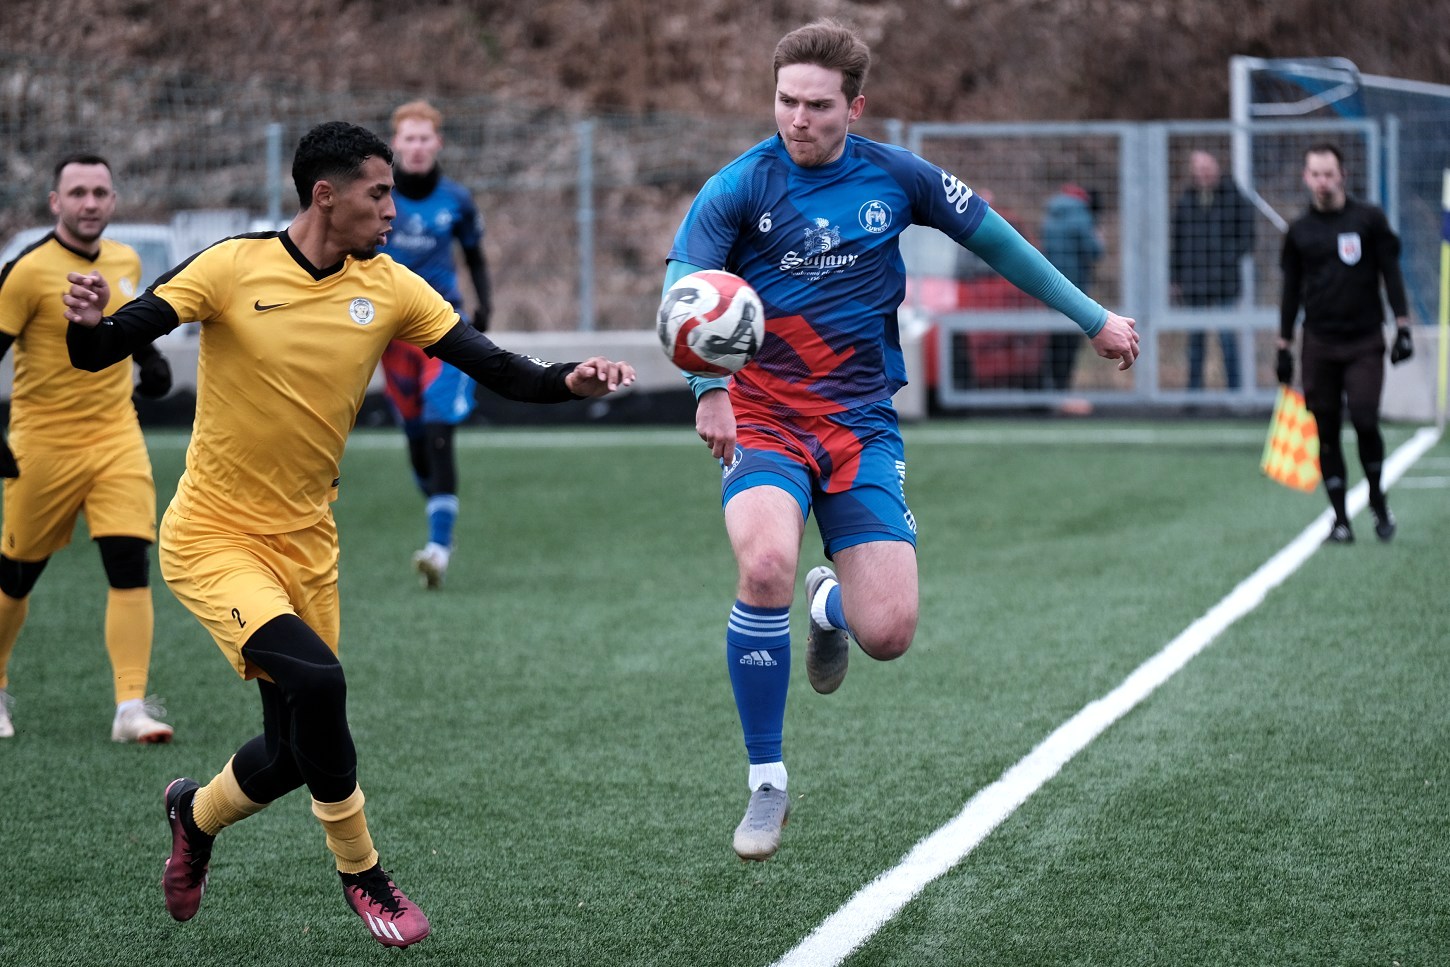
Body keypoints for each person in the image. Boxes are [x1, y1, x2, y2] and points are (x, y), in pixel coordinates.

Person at [63, 121, 634, 948]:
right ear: (326, 196)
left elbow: (494, 364)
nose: (394, 210)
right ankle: (363, 874)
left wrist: (569, 382)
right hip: (214, 536)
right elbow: (106, 347)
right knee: (321, 682)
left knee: (294, 751)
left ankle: (194, 813)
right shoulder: (229, 267)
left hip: (308, 544)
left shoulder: (391, 286)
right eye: (380, 193)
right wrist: (86, 322)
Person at [663, 20, 1139, 862]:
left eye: (817, 105)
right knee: (764, 564)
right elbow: (685, 285)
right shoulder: (738, 186)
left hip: (860, 423)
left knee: (887, 631)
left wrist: (1091, 316)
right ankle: (767, 780)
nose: (798, 118)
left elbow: (998, 241)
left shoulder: (897, 176)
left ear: (855, 107)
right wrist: (709, 390)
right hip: (763, 416)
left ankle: (828, 606)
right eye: (785, 101)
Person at [0, 152, 175, 743]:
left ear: (114, 200)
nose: (90, 202)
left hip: (116, 438)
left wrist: (150, 360)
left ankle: (131, 708)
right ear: (56, 202)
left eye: (100, 192)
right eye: (77, 192)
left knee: (130, 564)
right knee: (16, 576)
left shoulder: (126, 260)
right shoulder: (26, 272)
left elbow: (120, 324)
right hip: (42, 445)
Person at [378, 100, 493, 588]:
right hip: (390, 334)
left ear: (438, 143)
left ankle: (438, 549)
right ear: (396, 144)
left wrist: (485, 307)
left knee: (439, 426)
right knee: (416, 440)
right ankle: (439, 512)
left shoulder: (457, 200)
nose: (418, 146)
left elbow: (475, 256)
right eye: (410, 138)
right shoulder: (378, 198)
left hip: (444, 328)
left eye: (425, 138)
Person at [1278, 142, 1412, 545]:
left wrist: (1403, 326)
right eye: (1315, 174)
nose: (1322, 182)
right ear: (1306, 177)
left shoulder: (1368, 220)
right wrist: (1284, 346)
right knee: (1327, 430)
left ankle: (1377, 498)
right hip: (1319, 342)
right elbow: (1290, 291)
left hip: (1364, 339)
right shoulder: (1299, 231)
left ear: (1343, 176)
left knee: (1366, 418)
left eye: (1329, 174)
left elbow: (1391, 273)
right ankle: (1340, 520)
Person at [1171, 149, 1256, 391]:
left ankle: (1235, 392)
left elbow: (1248, 236)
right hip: (1194, 281)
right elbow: (1177, 243)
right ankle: (1194, 394)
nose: (1204, 173)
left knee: (1227, 339)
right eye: (1199, 169)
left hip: (1223, 281)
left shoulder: (1233, 197)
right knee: (1195, 342)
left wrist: (1227, 258)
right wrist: (1175, 277)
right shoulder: (1186, 201)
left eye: (1208, 168)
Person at [1039, 183, 1103, 410]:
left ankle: (1050, 393)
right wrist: (1098, 237)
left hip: (1049, 289)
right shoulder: (1082, 216)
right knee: (1070, 343)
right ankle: (1063, 392)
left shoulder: (1050, 215)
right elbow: (1094, 251)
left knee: (1054, 342)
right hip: (1075, 289)